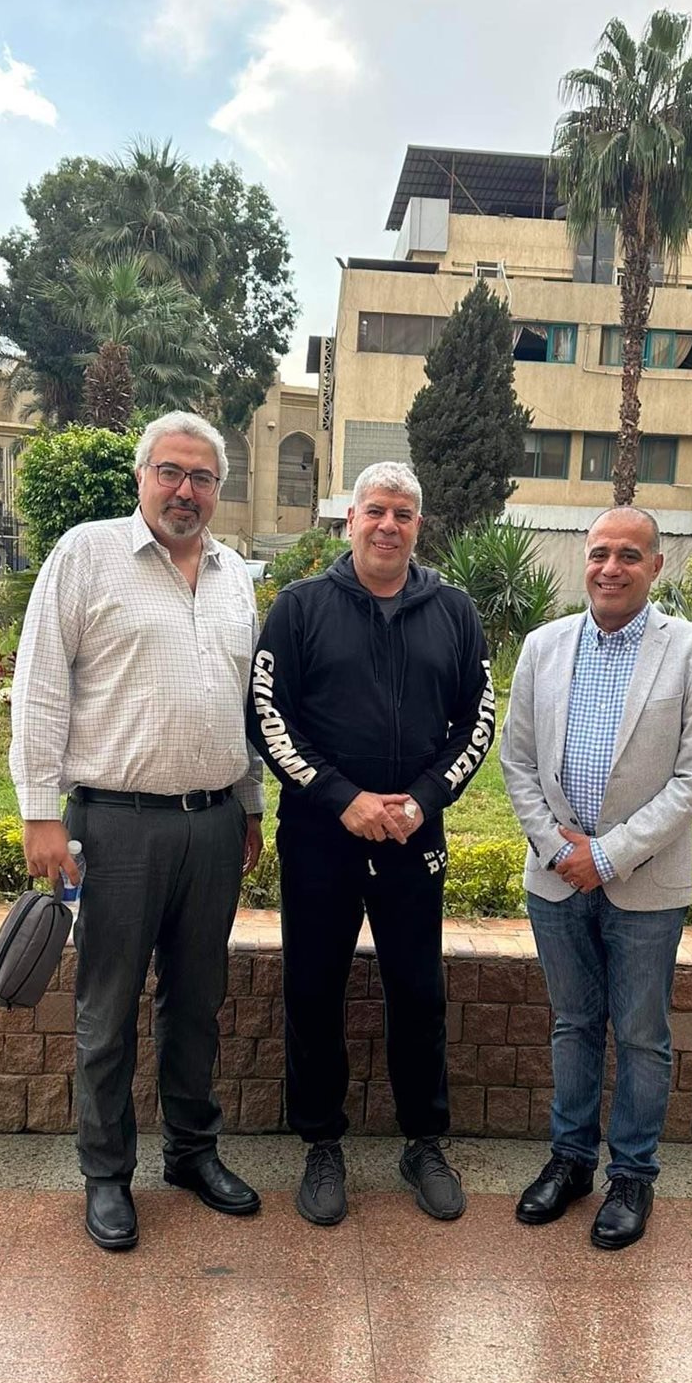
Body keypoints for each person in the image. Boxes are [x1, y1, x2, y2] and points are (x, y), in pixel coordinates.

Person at [11, 410, 266, 1252]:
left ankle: (192, 1153)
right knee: (108, 1007)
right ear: (142, 477)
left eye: (202, 478)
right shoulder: (87, 554)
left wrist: (250, 804)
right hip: (114, 827)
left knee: (197, 1002)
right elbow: (40, 683)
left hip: (212, 824)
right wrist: (39, 810)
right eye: (171, 472)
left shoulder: (234, 576)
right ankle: (107, 1173)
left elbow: (242, 705)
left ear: (218, 489)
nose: (185, 490)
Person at [248, 462, 494, 1228]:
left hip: (414, 838)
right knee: (313, 991)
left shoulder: (453, 610)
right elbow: (268, 716)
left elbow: (477, 721)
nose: (389, 525)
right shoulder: (300, 608)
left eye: (404, 514)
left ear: (419, 526)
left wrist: (423, 800)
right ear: (350, 520)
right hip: (320, 838)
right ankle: (322, 1145)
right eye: (376, 511)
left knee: (418, 993)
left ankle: (425, 1143)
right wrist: (341, 799)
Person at [499, 506, 692, 1249]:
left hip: (645, 883)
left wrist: (606, 856)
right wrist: (555, 848)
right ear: (584, 559)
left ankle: (632, 1175)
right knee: (572, 1024)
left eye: (630, 555)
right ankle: (570, 1162)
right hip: (555, 878)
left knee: (640, 1034)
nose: (611, 567)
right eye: (600, 552)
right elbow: (517, 761)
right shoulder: (543, 646)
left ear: (656, 565)